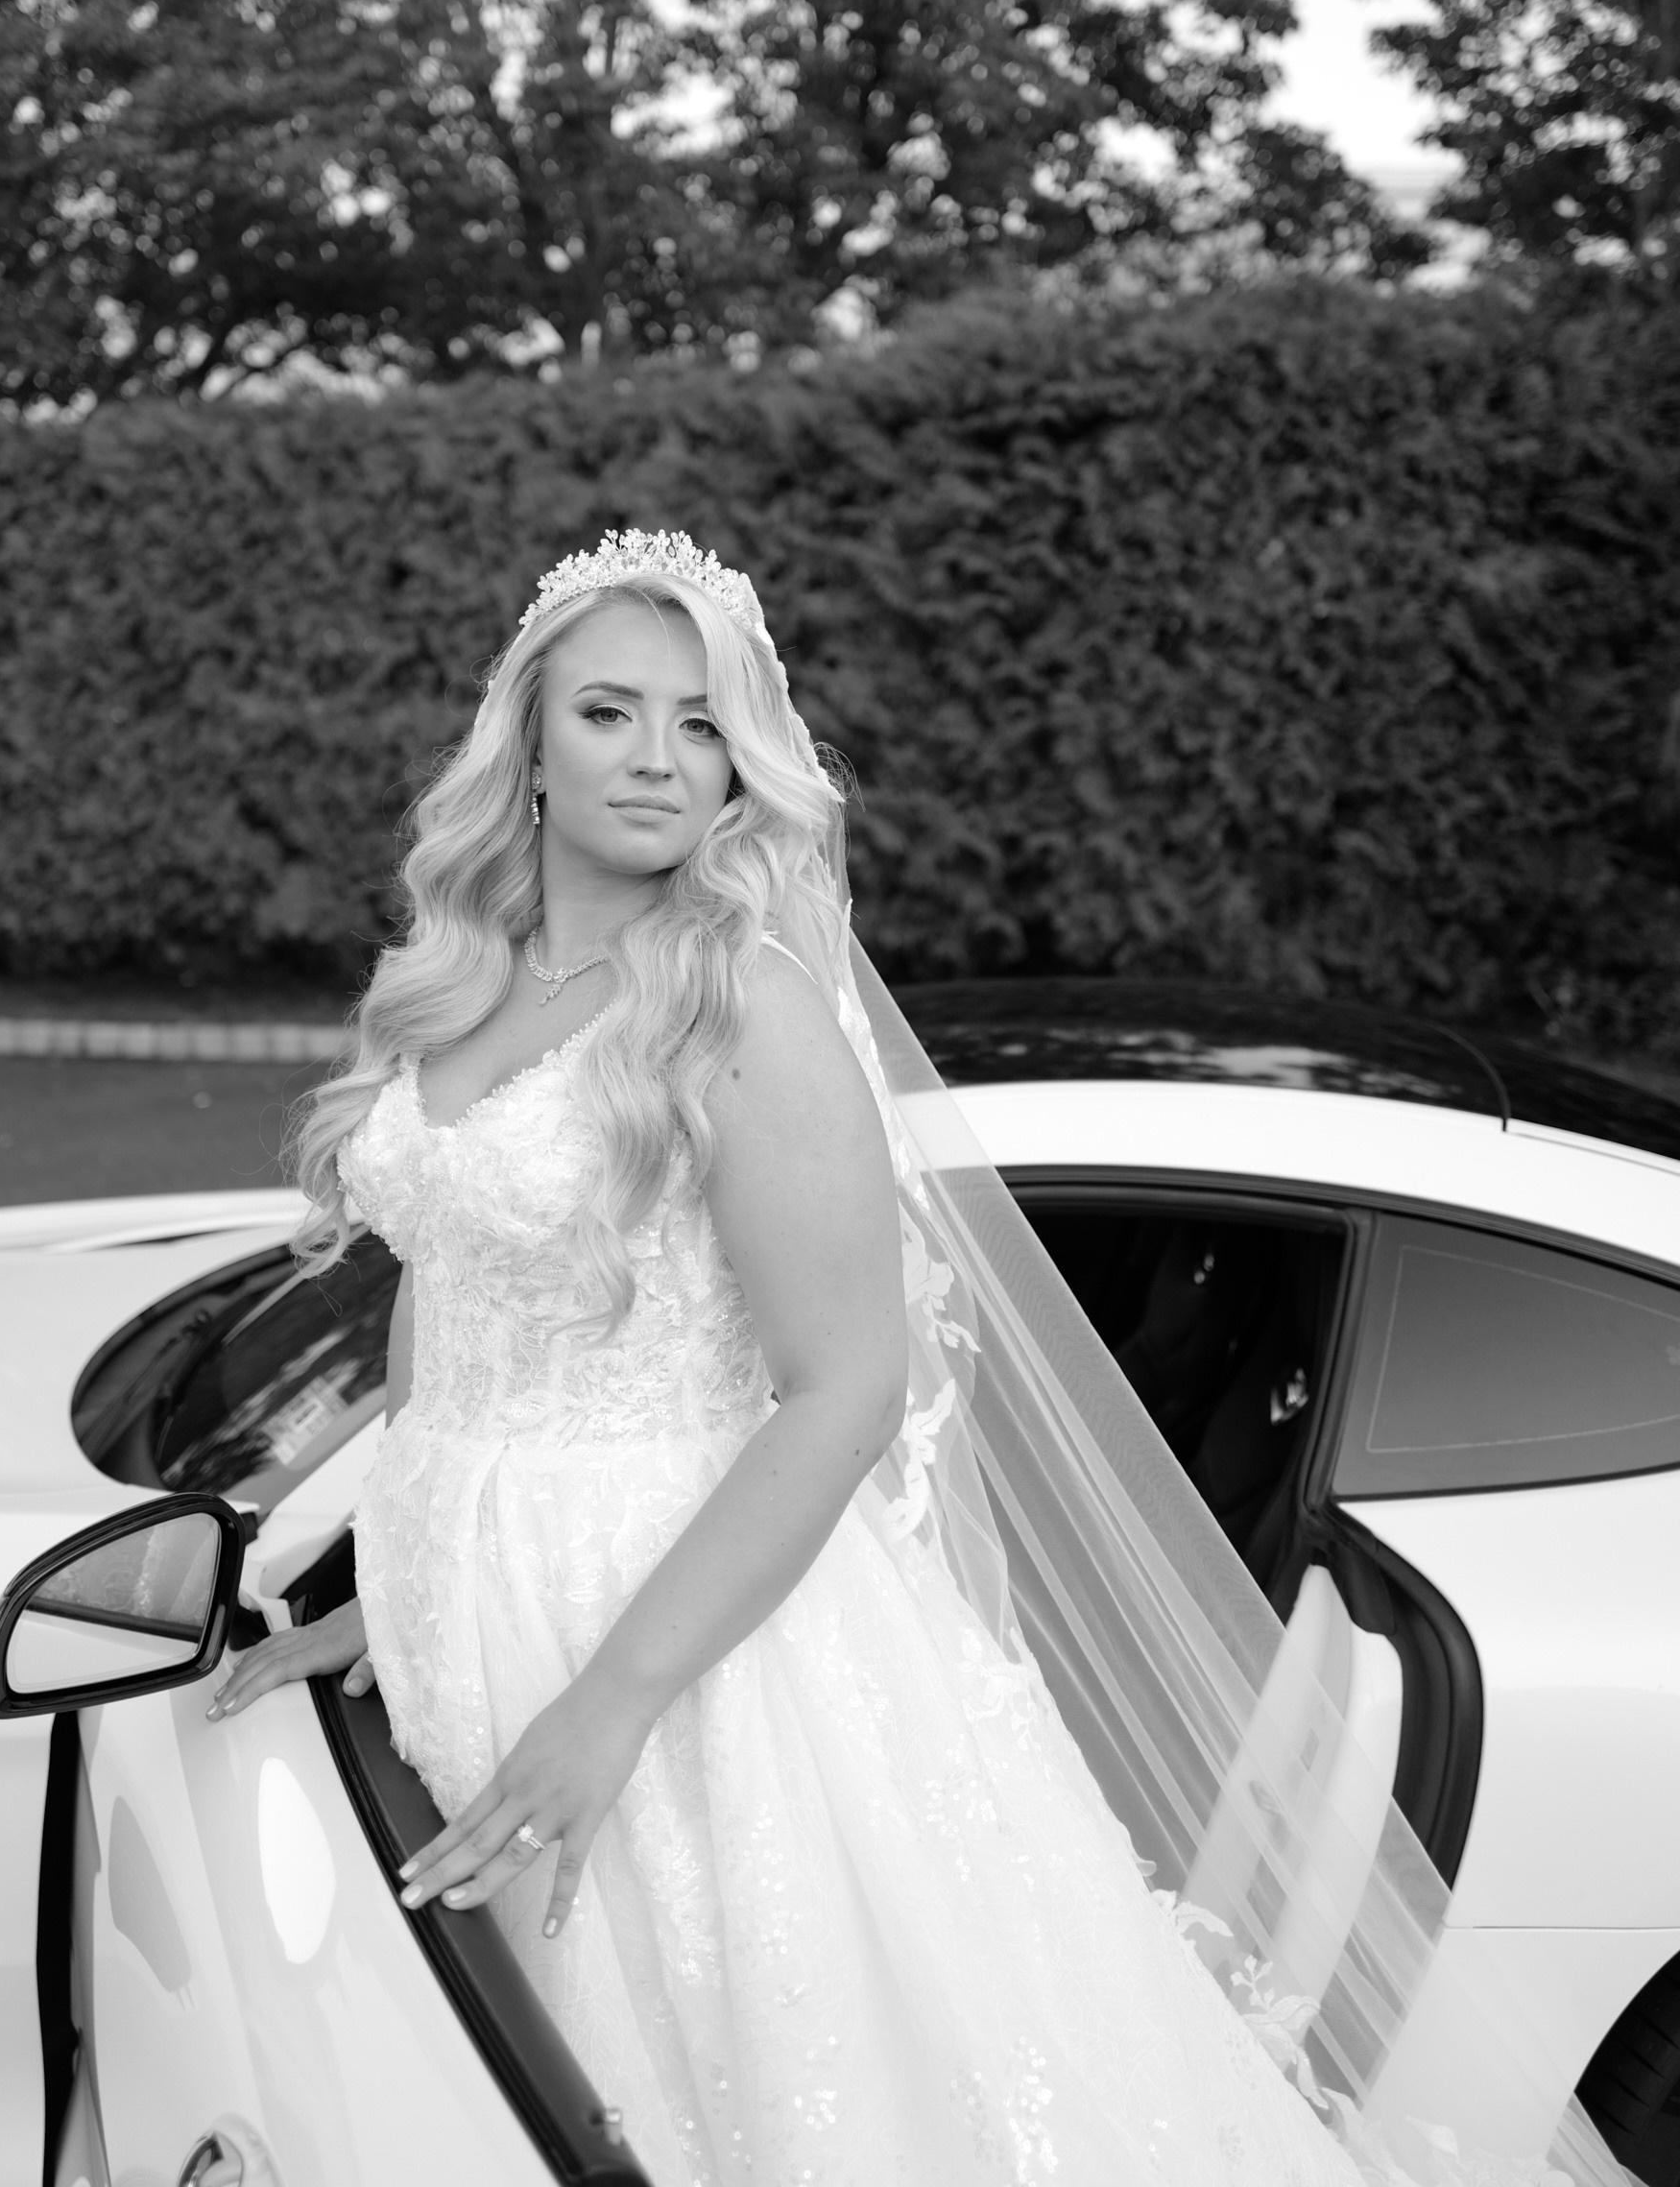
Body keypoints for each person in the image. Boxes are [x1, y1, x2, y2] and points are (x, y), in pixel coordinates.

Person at [207, 533, 1607, 2187]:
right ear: (526, 742)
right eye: (610, 711)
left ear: (745, 762)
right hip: (479, 1612)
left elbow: (847, 1390)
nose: (659, 755)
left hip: (680, 1647)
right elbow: (458, 1292)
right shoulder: (465, 983)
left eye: (703, 721)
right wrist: (401, 1578)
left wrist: (612, 1709)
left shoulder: (744, 1007)